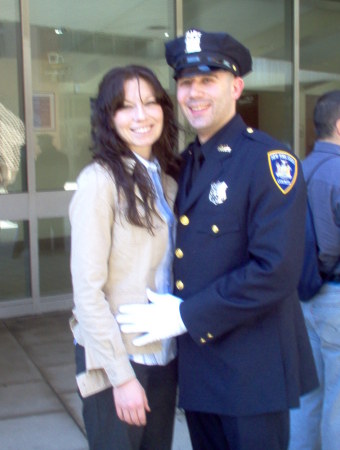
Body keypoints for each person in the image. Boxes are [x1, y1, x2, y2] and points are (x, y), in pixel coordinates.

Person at [117, 30, 319, 450]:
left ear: (237, 87)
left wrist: (187, 315)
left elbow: (275, 271)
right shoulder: (186, 162)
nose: (194, 92)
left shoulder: (267, 162)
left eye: (208, 80)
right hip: (202, 369)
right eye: (186, 82)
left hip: (252, 372)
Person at [69, 65, 181, 450]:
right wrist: (121, 377)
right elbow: (87, 292)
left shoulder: (166, 179)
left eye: (149, 103)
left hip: (163, 350)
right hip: (117, 359)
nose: (140, 115)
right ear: (108, 116)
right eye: (125, 106)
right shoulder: (99, 182)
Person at [289, 90, 340, 450]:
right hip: (333, 298)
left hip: (300, 298)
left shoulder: (297, 169)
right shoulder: (337, 171)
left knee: (307, 399)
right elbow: (330, 245)